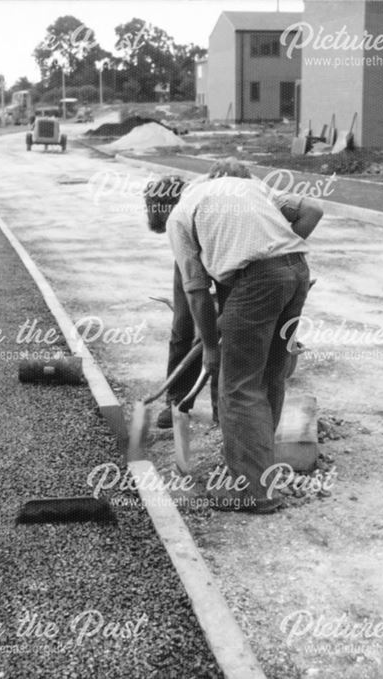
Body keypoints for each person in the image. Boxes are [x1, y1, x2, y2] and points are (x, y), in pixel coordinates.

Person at [147, 172, 323, 513]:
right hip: (296, 271)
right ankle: (263, 475)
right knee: (270, 377)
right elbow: (312, 209)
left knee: (238, 388)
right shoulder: (244, 185)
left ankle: (252, 492)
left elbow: (196, 291)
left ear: (165, 208)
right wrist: (277, 262)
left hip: (256, 281)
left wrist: (211, 349)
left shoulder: (180, 217)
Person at [153, 160, 254, 430]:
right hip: (193, 243)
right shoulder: (187, 199)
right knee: (183, 327)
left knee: (229, 331)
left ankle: (223, 412)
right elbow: (196, 290)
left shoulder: (252, 192)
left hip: (229, 250)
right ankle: (177, 402)